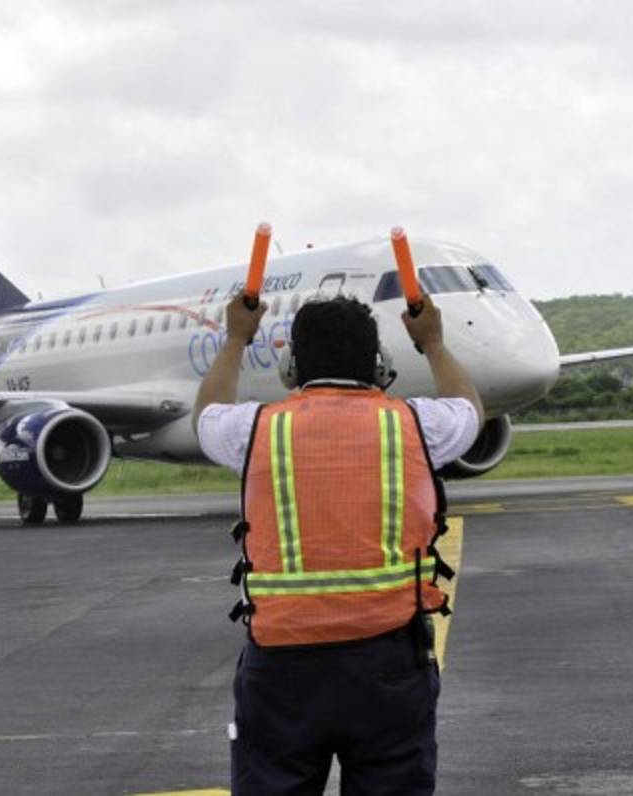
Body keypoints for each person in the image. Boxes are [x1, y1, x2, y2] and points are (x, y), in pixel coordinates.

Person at [193, 290, 484, 795]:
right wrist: (433, 343)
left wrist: (236, 339)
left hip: (282, 670)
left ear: (291, 366)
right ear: (380, 364)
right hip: (388, 664)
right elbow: (468, 408)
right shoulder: (416, 424)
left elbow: (207, 413)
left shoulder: (255, 429)